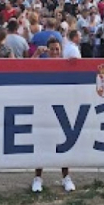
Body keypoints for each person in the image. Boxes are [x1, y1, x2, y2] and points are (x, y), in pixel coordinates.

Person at [30, 37, 75, 193]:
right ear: (47, 50)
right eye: (52, 49)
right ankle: (37, 178)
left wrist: (75, 63)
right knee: (41, 143)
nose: (55, 52)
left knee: (63, 144)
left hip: (61, 108)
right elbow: (27, 68)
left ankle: (66, 177)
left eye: (57, 49)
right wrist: (36, 54)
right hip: (43, 107)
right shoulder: (42, 64)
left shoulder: (65, 64)